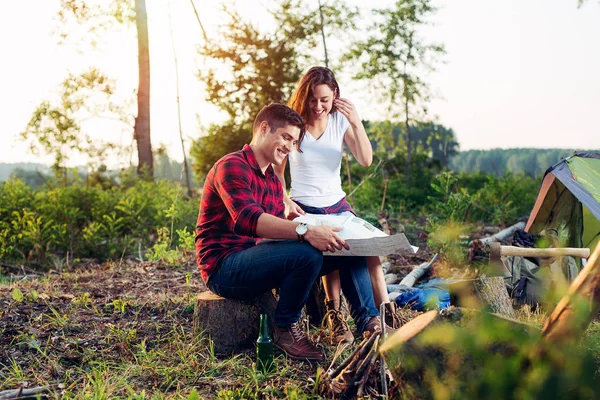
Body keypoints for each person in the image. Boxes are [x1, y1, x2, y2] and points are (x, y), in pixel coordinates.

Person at [195, 103, 384, 361]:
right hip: (225, 267)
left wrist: (314, 229)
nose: (289, 147)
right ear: (264, 129)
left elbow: (269, 235)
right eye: (285, 137)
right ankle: (285, 330)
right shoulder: (232, 166)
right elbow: (248, 220)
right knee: (308, 254)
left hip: (256, 257)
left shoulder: (272, 180)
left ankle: (368, 325)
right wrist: (305, 230)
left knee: (346, 247)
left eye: (294, 141)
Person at [274, 67, 401, 346]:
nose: (318, 106)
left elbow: (366, 159)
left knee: (357, 246)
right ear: (304, 97)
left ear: (334, 98)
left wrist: (356, 122)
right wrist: (284, 199)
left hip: (338, 205)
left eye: (324, 100)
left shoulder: (340, 122)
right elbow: (277, 169)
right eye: (312, 100)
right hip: (305, 207)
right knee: (339, 248)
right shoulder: (295, 125)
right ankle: (344, 318)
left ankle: (370, 321)